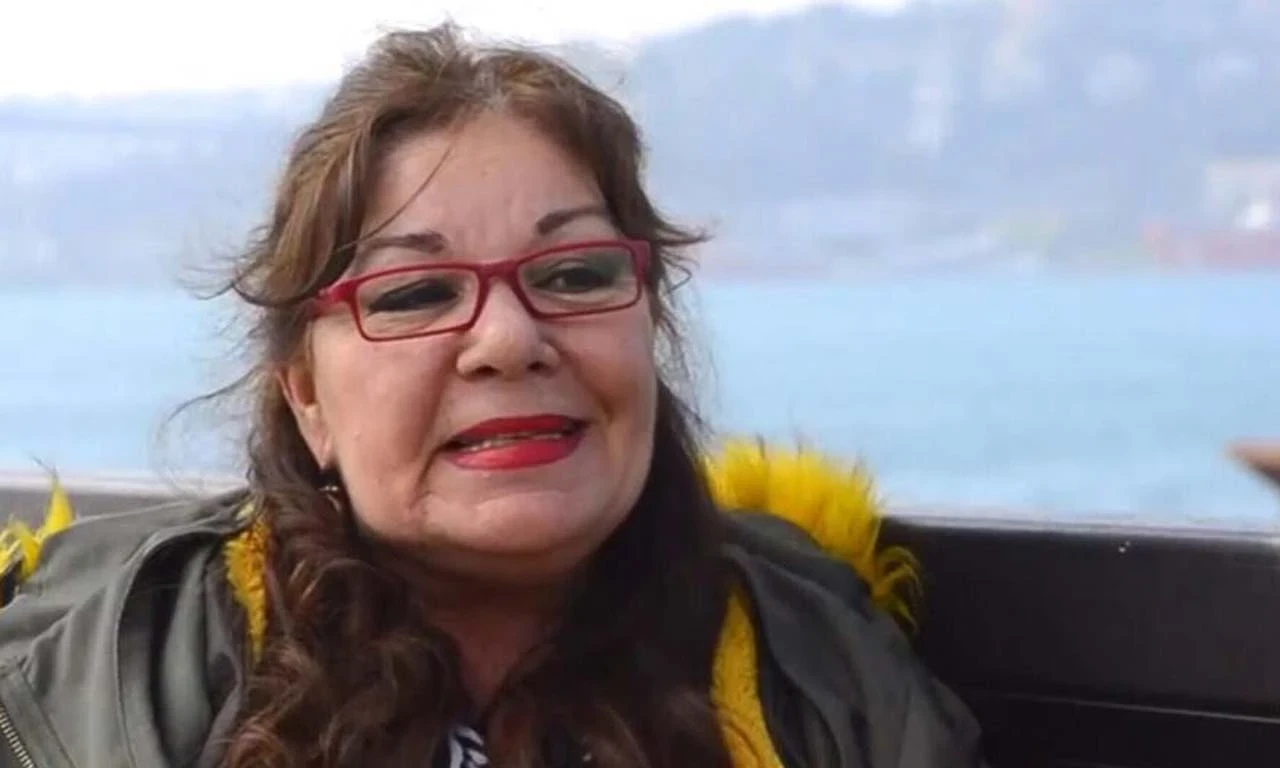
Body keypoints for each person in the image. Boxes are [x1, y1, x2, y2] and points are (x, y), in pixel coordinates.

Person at [0, 25, 987, 768]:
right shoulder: (117, 681)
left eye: (574, 274)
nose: (509, 341)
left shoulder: (826, 680)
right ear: (304, 396)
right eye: (415, 293)